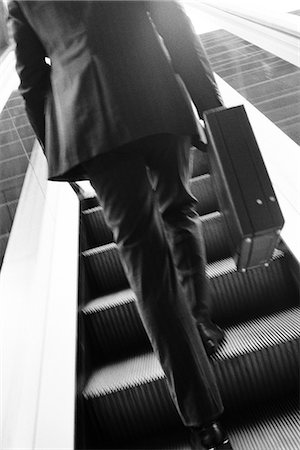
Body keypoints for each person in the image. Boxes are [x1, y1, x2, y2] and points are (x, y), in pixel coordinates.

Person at [8, 1, 231, 448]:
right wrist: (210, 105)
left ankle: (202, 421)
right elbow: (174, 26)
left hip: (90, 126)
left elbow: (32, 80)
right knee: (179, 210)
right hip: (157, 99)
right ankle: (201, 324)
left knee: (143, 259)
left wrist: (60, 155)